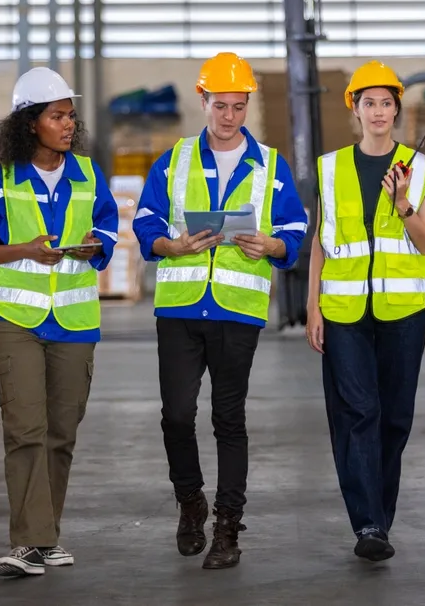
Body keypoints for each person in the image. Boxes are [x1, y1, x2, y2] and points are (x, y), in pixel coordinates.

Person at [132, 52, 308, 570]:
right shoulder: (174, 160)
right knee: (177, 416)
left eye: (238, 106)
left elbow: (296, 229)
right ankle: (191, 503)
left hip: (236, 311)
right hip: (182, 309)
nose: (229, 116)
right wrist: (171, 245)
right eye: (220, 105)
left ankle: (228, 527)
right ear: (202, 100)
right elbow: (145, 220)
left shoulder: (272, 166)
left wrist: (272, 247)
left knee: (229, 418)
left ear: (247, 105)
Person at [0, 67, 120, 578]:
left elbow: (107, 230)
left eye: (71, 116)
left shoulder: (90, 176)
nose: (69, 125)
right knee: (25, 428)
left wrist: (97, 247)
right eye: (57, 116)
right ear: (31, 123)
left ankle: (46, 538)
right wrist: (20, 251)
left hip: (74, 320)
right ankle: (30, 541)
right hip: (18, 320)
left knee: (61, 432)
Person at [304, 60, 425, 562]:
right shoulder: (331, 166)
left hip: (403, 313)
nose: (378, 111)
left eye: (386, 103)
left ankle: (380, 518)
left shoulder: (419, 169)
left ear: (397, 110)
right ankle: (367, 526)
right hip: (343, 312)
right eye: (369, 103)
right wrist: (312, 306)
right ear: (355, 110)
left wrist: (403, 203)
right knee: (358, 413)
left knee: (394, 419)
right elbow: (321, 240)